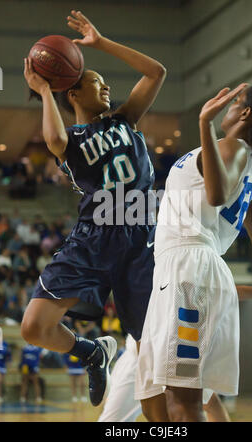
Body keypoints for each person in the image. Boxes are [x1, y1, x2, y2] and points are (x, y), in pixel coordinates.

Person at [21, 9, 166, 408]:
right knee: (33, 327)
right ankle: (90, 351)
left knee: (147, 347)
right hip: (95, 237)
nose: (106, 88)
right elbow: (51, 139)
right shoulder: (70, 139)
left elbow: (157, 72)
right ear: (73, 92)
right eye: (96, 82)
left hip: (141, 238)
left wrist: (100, 43)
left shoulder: (125, 119)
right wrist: (45, 89)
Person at [135, 84, 252, 422]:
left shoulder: (232, 146)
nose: (228, 106)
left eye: (234, 102)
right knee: (152, 398)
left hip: (190, 271)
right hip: (184, 271)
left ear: (245, 113)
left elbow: (217, 194)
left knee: (184, 400)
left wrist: (204, 122)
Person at [99, 281, 252, 422]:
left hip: (176, 351)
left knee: (209, 405)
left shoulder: (191, 269)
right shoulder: (151, 260)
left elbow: (231, 290)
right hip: (139, 355)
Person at [0, 338, 11, 404]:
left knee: (1, 382)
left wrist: (9, 364)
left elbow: (8, 355)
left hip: (2, 365)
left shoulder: (5, 344)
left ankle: (0, 396)